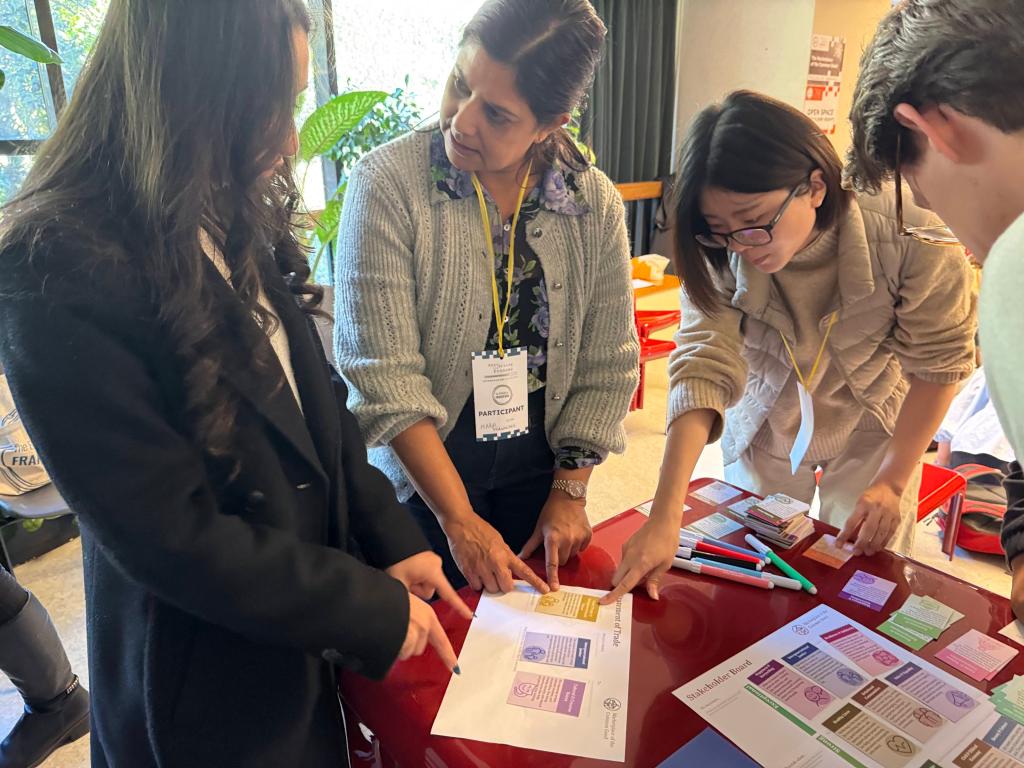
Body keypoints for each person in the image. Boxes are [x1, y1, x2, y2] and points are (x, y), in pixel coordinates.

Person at [0, 1, 469, 766]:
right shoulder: (54, 266)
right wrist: (362, 607)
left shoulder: (218, 201)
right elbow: (169, 536)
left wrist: (389, 536)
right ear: (188, 96)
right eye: (270, 108)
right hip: (199, 686)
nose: (290, 140)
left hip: (294, 639)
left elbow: (317, 409)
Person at [602, 90, 976, 604]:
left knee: (862, 577)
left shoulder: (911, 226)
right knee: (756, 562)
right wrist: (667, 513)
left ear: (815, 187)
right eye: (721, 232)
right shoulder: (714, 243)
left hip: (874, 420)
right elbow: (702, 362)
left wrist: (892, 481)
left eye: (755, 222)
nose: (741, 246)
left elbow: (942, 361)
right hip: (765, 414)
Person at [335, 0, 639, 594]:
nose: (461, 121)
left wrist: (570, 490)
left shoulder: (590, 202)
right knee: (434, 657)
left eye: (497, 114)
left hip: (540, 471)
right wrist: (459, 520)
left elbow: (608, 363)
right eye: (459, 85)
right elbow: (384, 376)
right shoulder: (389, 185)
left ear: (551, 124)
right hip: (421, 480)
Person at [843, 0, 1024, 617]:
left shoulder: (1015, 264)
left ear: (932, 129)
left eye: (919, 192)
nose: (957, 240)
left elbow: (945, 361)